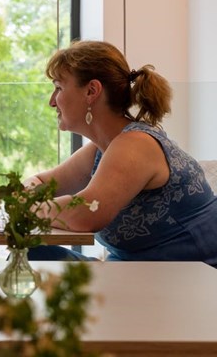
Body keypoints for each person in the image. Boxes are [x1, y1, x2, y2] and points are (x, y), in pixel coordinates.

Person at [25, 40, 217, 266]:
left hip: (192, 280)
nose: (51, 101)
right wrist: (25, 195)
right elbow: (40, 181)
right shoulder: (101, 149)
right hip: (142, 274)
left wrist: (29, 207)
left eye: (58, 87)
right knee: (34, 255)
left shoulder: (136, 145)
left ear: (91, 91)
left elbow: (85, 215)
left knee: (35, 258)